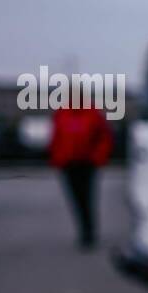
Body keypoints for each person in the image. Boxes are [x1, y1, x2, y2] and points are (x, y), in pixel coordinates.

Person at [49, 100, 113, 248]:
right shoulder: (62, 113)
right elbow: (56, 137)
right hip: (68, 164)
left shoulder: (93, 114)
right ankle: (84, 230)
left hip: (88, 164)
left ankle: (89, 232)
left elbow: (104, 137)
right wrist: (58, 158)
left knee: (87, 197)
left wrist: (98, 157)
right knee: (76, 198)